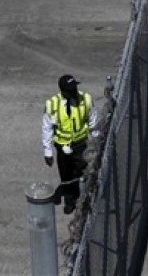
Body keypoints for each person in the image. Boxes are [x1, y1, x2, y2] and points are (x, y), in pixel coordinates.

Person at [41, 74, 99, 214]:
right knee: (66, 174)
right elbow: (47, 128)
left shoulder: (85, 99)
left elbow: (93, 121)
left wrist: (96, 143)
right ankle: (70, 200)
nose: (74, 91)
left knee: (84, 172)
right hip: (62, 146)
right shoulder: (52, 105)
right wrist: (47, 152)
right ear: (63, 91)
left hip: (80, 144)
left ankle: (85, 199)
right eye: (70, 89)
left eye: (75, 88)